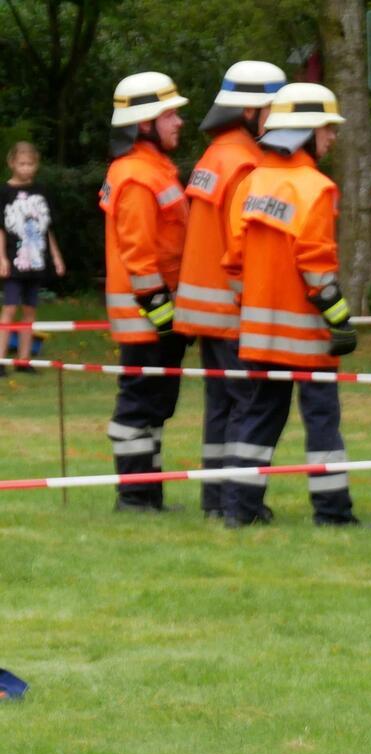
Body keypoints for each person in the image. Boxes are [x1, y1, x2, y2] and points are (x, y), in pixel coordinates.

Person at [221, 83, 359, 528]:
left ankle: (239, 509)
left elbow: (233, 263)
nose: (332, 137)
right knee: (322, 424)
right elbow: (317, 268)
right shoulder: (315, 188)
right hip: (307, 334)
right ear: (304, 133)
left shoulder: (250, 183)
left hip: (259, 333)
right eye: (326, 128)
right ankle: (332, 511)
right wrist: (340, 322)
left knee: (257, 420)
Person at [174, 60, 283, 518]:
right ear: (252, 111)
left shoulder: (214, 155)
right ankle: (241, 504)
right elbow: (243, 244)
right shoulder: (245, 162)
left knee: (221, 407)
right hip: (232, 307)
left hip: (205, 308)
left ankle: (216, 499)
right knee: (249, 407)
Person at [100, 71, 191, 512]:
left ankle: (146, 494)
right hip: (147, 318)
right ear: (143, 124)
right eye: (170, 114)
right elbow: (139, 257)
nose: (179, 122)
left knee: (153, 407)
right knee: (138, 407)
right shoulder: (137, 176)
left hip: (154, 316)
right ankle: (134, 496)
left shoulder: (153, 169)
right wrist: (163, 317)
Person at [1, 141, 65, 370]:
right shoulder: (5, 192)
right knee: (9, 308)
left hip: (36, 260)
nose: (26, 168)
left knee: (30, 311)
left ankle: (23, 360)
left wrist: (56, 257)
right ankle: (1, 360)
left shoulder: (41, 192)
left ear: (36, 165)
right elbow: (0, 228)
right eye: (22, 164)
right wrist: (2, 258)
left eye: (30, 164)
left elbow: (46, 228)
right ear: (12, 163)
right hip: (13, 260)